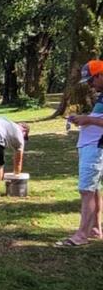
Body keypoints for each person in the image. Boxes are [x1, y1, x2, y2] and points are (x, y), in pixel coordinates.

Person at [56, 59, 103, 247]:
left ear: (101, 75)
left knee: (86, 190)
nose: (90, 85)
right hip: (90, 147)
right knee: (94, 189)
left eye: (92, 80)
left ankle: (81, 235)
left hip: (96, 148)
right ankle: (94, 228)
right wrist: (85, 119)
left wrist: (87, 120)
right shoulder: (101, 96)